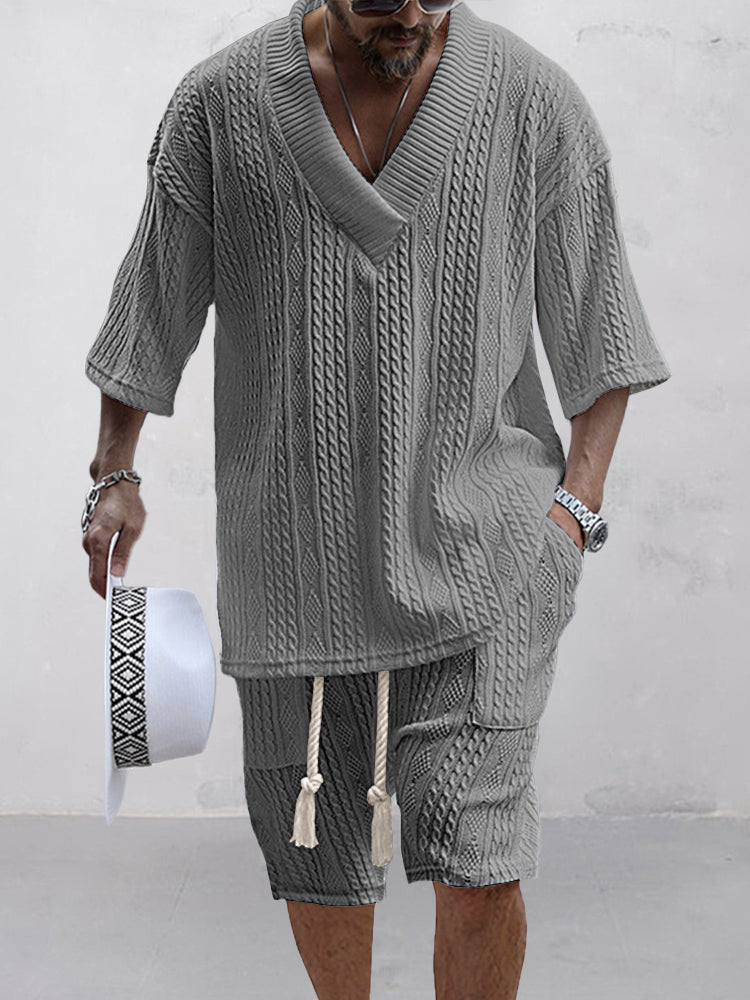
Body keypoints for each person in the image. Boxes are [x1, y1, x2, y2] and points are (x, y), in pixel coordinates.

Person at [82, 1, 671, 997]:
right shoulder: (220, 106)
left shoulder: (533, 102)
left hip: (489, 565)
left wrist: (573, 514)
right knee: (317, 858)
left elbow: (601, 330)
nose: (406, 13)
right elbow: (151, 307)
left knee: (479, 862)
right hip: (291, 570)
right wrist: (114, 473)